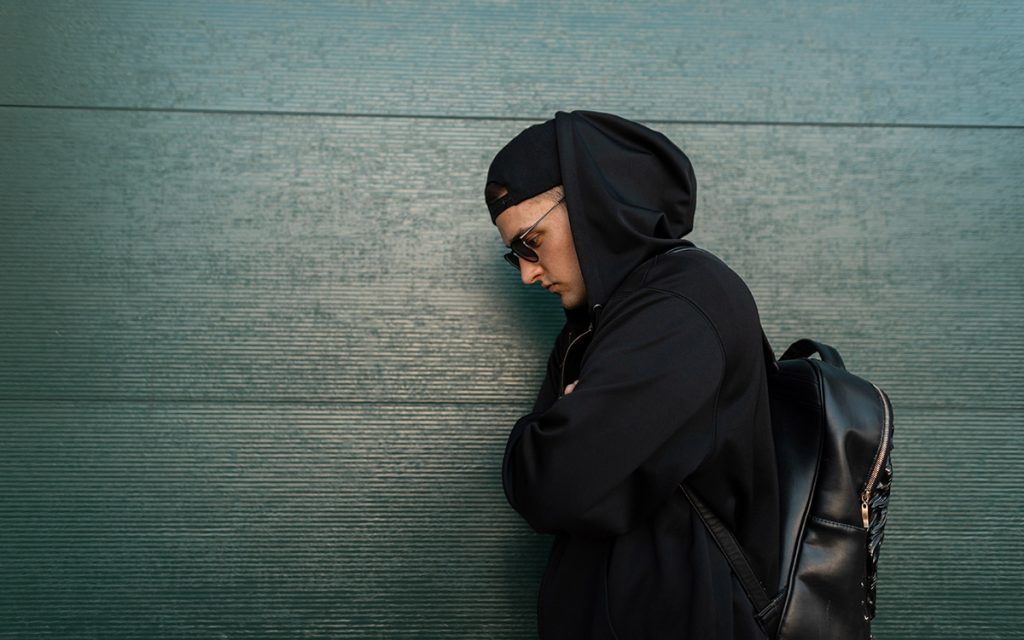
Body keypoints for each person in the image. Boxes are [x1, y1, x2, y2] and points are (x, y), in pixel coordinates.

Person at [484, 110, 780, 639]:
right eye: (515, 257)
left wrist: (556, 427)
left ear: (592, 201)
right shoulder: (601, 321)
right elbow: (540, 480)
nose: (528, 273)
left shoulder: (680, 304)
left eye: (531, 241)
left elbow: (551, 484)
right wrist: (561, 427)